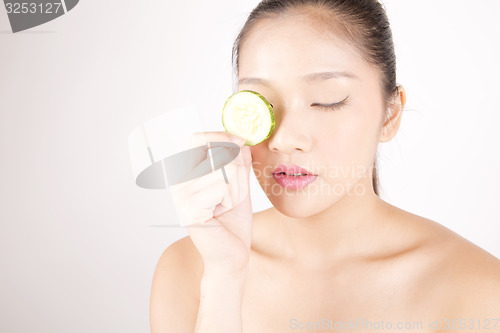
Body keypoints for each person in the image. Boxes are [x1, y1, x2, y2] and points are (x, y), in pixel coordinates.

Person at [150, 1, 500, 332]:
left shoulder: (479, 289)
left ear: (390, 114)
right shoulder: (189, 270)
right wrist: (225, 277)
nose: (284, 140)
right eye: (261, 103)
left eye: (327, 101)